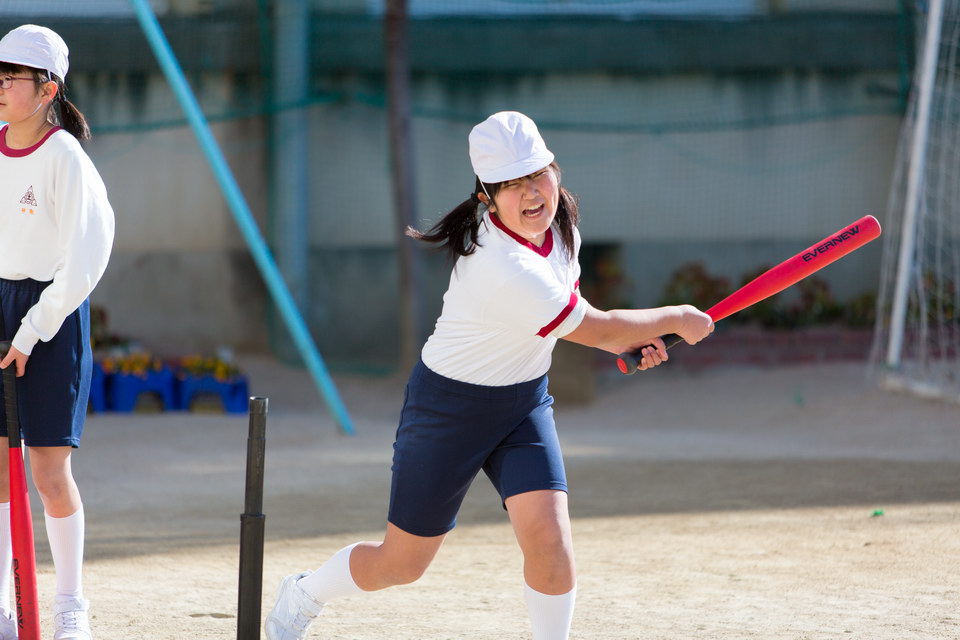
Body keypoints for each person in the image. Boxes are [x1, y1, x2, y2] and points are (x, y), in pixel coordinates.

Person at [265, 111, 713, 640]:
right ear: (486, 197)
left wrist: (631, 340)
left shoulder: (561, 226)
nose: (531, 193)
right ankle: (305, 592)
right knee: (402, 563)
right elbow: (597, 328)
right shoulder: (502, 265)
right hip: (448, 410)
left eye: (538, 174)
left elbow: (585, 318)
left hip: (523, 404)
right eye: (511, 184)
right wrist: (677, 318)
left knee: (550, 541)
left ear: (555, 172)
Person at [0, 24, 114, 640]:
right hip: (0, 303)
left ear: (47, 91)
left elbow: (87, 258)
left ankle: (71, 605)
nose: (0, 86)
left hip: (53, 314)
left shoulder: (66, 157)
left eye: (10, 77)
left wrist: (32, 330)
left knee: (47, 471)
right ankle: (4, 604)